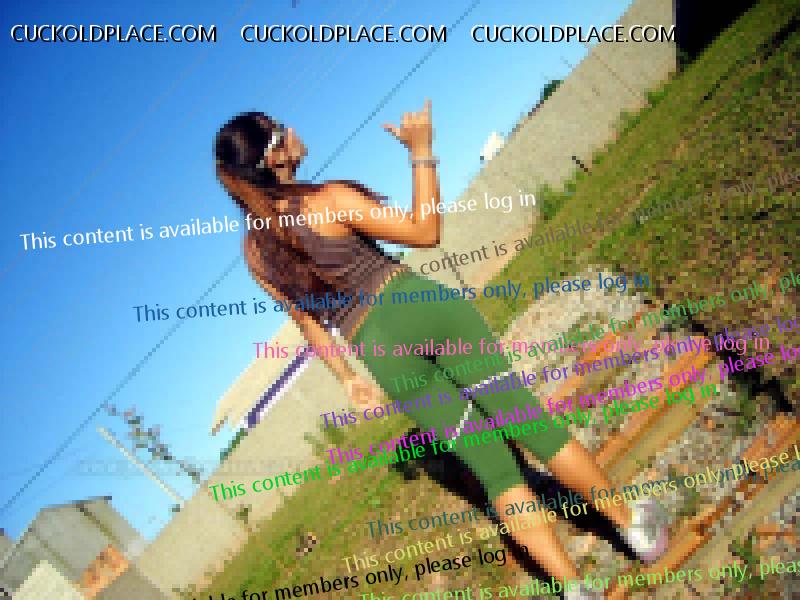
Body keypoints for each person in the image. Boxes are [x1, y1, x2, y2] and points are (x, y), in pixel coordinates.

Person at [214, 102, 668, 599]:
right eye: (282, 129)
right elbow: (425, 232)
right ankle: (633, 528)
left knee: (493, 469)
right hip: (422, 308)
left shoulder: (256, 254)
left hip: (379, 351)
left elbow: (307, 322)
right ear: (274, 154)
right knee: (531, 424)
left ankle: (575, 589)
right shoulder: (330, 199)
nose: (295, 129)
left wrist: (348, 377)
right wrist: (421, 151)